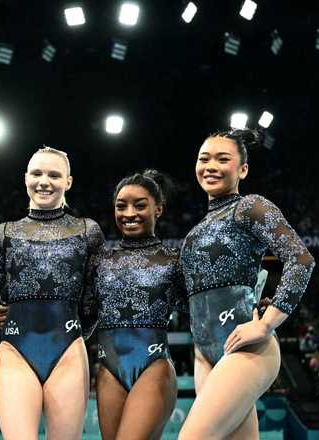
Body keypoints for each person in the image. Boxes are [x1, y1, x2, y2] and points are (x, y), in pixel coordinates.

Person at [178, 130, 315, 439]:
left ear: (243, 169)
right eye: (204, 158)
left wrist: (267, 324)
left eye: (222, 159)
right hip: (205, 354)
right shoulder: (197, 229)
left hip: (246, 349)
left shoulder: (249, 206)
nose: (211, 165)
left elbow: (301, 260)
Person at [0, 146, 105, 439]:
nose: (44, 181)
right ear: (25, 178)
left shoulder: (88, 231)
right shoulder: (4, 233)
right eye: (36, 173)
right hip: (15, 351)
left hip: (69, 350)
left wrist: (76, 332)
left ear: (68, 182)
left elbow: (94, 297)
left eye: (53, 174)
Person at [89, 169, 186, 439]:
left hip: (154, 365)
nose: (129, 213)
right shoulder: (100, 260)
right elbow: (82, 311)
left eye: (140, 205)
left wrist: (250, 306)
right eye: (121, 206)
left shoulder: (174, 260)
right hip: (109, 368)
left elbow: (200, 308)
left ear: (159, 209)